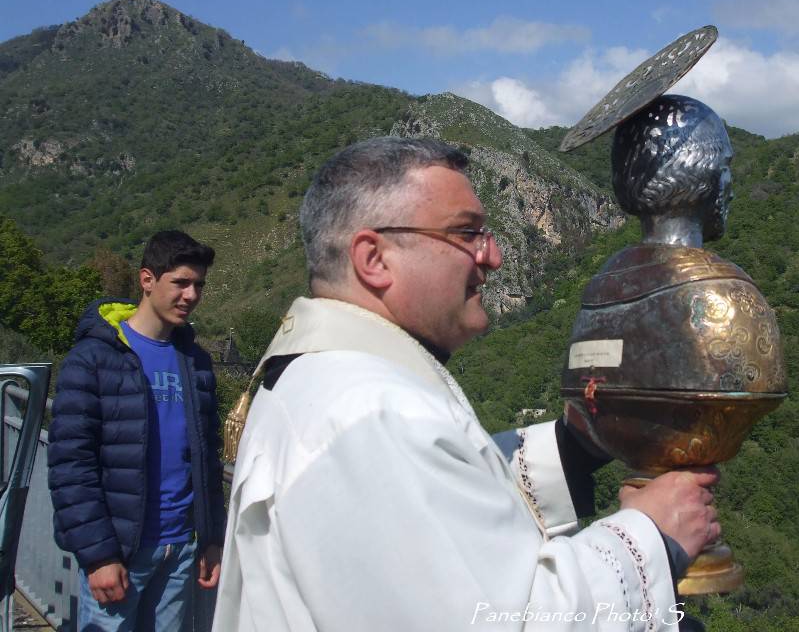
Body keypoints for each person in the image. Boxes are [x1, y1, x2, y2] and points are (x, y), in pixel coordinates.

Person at [213, 138, 721, 631]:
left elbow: (447, 505)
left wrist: (577, 447)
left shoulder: (331, 381)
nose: (493, 256)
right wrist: (650, 539)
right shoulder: (369, 414)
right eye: (466, 233)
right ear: (374, 259)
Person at [48, 230, 227, 631]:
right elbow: (69, 464)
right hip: (121, 553)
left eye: (198, 285)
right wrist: (98, 556)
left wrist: (213, 536)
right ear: (147, 280)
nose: (191, 295)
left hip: (181, 549)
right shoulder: (93, 358)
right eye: (180, 282)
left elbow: (207, 458)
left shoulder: (195, 362)